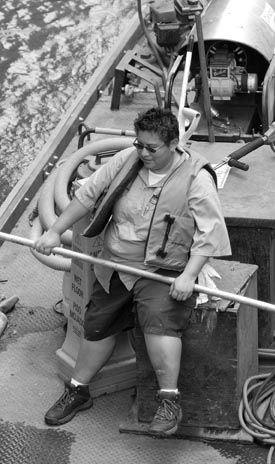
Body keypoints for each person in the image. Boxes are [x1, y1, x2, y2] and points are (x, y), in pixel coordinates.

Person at [33, 107, 231, 436]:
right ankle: (78, 390)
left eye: (151, 148)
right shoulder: (127, 159)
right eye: (139, 144)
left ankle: (169, 401)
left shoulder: (197, 177)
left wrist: (188, 276)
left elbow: (210, 234)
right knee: (97, 325)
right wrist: (55, 231)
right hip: (116, 265)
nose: (143, 153)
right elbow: (87, 196)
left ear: (173, 145)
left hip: (162, 270)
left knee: (159, 325)